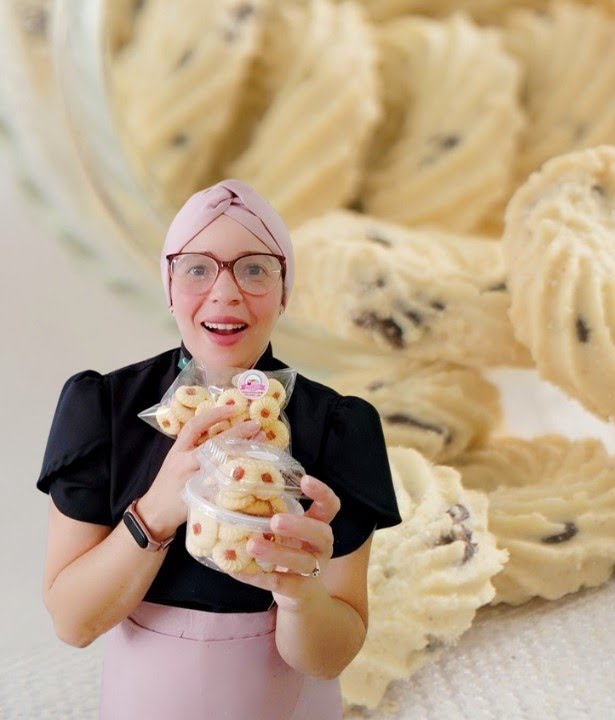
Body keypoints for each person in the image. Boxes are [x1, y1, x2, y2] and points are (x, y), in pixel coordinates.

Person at [38, 179, 400, 719]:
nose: (226, 293)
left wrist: (297, 594)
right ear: (168, 285)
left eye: (255, 268)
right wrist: (160, 507)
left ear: (285, 291)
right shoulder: (105, 410)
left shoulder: (338, 426)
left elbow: (330, 658)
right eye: (197, 268)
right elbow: (72, 622)